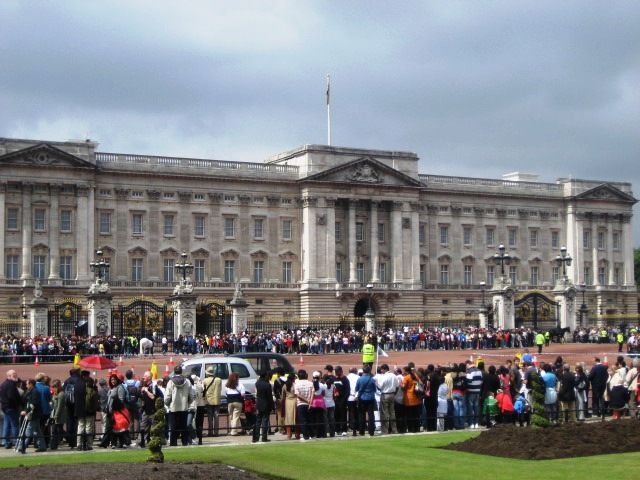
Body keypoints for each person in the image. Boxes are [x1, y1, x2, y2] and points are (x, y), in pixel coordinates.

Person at [164, 365, 195, 446]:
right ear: (181, 371)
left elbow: (167, 397)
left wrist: (168, 404)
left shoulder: (170, 382)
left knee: (173, 428)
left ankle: (173, 444)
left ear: (174, 372)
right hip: (184, 408)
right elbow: (192, 395)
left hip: (173, 408)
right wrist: (188, 402)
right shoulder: (187, 381)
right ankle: (185, 443)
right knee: (184, 428)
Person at [16, 378, 47, 453]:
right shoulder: (32, 391)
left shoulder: (34, 392)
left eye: (27, 384)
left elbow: (33, 404)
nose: (26, 386)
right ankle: (42, 446)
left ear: (31, 384)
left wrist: (26, 411)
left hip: (34, 414)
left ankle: (21, 447)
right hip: (34, 414)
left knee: (28, 431)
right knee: (37, 430)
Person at [138, 370, 162, 448]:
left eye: (145, 376)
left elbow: (153, 397)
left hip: (153, 410)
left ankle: (156, 442)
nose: (143, 377)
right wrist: (142, 391)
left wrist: (146, 391)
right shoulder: (144, 386)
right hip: (146, 410)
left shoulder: (153, 386)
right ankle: (141, 441)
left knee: (154, 428)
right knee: (143, 426)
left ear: (149, 377)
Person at [1, 369, 22, 449]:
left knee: (7, 425)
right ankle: (16, 442)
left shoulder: (5, 384)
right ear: (9, 376)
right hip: (11, 407)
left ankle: (6, 442)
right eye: (14, 375)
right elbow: (11, 397)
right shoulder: (9, 385)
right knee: (15, 426)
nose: (16, 376)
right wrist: (17, 404)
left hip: (6, 407)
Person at [376, 363, 398, 435]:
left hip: (385, 395)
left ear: (384, 369)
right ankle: (394, 429)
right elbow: (397, 387)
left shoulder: (384, 377)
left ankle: (385, 430)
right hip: (392, 394)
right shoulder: (394, 376)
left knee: (384, 413)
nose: (381, 371)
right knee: (392, 412)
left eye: (382, 369)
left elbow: (380, 387)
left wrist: (376, 383)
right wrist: (394, 393)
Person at [252, 371, 274, 443]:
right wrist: (272, 406)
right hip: (266, 404)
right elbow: (270, 397)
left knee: (258, 421)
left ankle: (256, 437)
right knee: (265, 421)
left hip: (259, 404)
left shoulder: (257, 383)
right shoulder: (267, 385)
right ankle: (264, 437)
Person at [355, 365, 377, 436]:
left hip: (362, 398)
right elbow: (374, 389)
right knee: (371, 415)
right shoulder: (372, 379)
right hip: (370, 398)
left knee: (362, 415)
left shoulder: (360, 379)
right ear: (369, 371)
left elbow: (357, 389)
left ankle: (362, 430)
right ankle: (371, 431)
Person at [294, 369, 314, 442]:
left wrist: (306, 400)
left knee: (303, 420)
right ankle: (312, 434)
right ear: (306, 375)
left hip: (301, 404)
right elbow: (312, 393)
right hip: (309, 404)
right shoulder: (310, 383)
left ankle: (305, 435)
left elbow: (298, 395)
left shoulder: (297, 384)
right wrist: (310, 402)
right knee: (309, 420)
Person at [224, 371, 245, 436]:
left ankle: (232, 430)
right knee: (236, 416)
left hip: (229, 401)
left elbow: (226, 393)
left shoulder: (227, 384)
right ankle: (234, 431)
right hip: (238, 401)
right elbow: (243, 394)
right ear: (237, 377)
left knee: (231, 417)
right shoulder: (240, 384)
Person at [202, 366, 222, 437]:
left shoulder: (205, 380)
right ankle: (216, 432)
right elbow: (220, 389)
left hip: (209, 400)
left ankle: (210, 432)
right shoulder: (219, 380)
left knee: (210, 416)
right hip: (217, 400)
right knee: (216, 416)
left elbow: (203, 390)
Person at [48, 379, 67, 450]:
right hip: (54, 414)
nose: (53, 389)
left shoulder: (61, 394)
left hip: (59, 416)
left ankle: (71, 439)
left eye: (55, 387)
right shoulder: (55, 394)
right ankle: (53, 445)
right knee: (55, 431)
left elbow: (59, 407)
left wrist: (56, 416)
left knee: (59, 431)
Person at [332, 366, 350, 436]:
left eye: (337, 371)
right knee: (336, 415)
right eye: (335, 371)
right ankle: (337, 429)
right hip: (336, 400)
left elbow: (347, 391)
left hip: (342, 400)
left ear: (341, 371)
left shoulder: (345, 379)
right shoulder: (334, 379)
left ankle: (344, 429)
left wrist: (344, 399)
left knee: (343, 415)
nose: (336, 372)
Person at [466, 361, 483, 429]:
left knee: (470, 408)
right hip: (477, 391)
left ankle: (471, 423)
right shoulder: (479, 371)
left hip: (470, 391)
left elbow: (468, 382)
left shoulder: (469, 372)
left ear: (469, 365)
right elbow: (481, 381)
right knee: (476, 408)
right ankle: (476, 422)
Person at [282, 374, 299, 440]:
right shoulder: (295, 385)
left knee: (288, 419)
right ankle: (297, 434)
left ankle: (289, 434)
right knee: (296, 418)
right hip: (295, 401)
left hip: (287, 402)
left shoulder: (284, 386)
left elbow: (283, 396)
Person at [271, 367, 287, 435]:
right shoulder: (288, 379)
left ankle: (281, 429)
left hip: (280, 399)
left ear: (278, 373)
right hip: (288, 399)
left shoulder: (277, 380)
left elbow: (275, 391)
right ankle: (288, 429)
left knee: (280, 414)